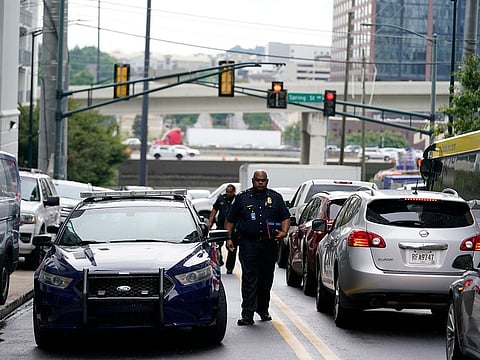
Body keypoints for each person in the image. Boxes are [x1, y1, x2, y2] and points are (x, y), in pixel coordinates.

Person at [225, 170, 290, 326]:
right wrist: (228, 238)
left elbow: (285, 217)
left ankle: (263, 309)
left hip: (269, 245)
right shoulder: (242, 198)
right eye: (257, 180)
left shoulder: (275, 198)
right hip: (249, 244)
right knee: (249, 278)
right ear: (253, 181)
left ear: (267, 181)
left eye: (263, 180)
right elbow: (230, 219)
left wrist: (284, 232)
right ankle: (247, 314)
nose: (260, 183)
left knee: (266, 279)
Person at [208, 183, 237, 273]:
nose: (228, 194)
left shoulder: (237, 200)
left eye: (230, 192)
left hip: (233, 227)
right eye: (227, 192)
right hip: (221, 226)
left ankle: (229, 268)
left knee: (232, 248)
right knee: (217, 244)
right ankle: (219, 258)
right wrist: (210, 222)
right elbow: (214, 210)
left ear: (233, 192)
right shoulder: (221, 198)